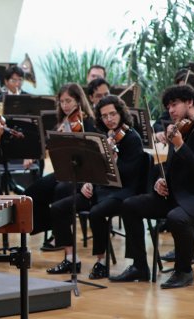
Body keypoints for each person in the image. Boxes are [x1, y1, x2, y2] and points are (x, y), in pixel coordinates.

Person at [111, 85, 194, 288]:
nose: (170, 110)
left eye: (174, 104)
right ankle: (139, 267)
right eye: (168, 106)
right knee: (129, 205)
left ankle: (184, 270)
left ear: (189, 102)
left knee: (176, 218)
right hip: (179, 194)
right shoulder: (178, 128)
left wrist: (180, 144)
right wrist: (161, 181)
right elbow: (172, 166)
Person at [45, 96, 143, 279]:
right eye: (105, 116)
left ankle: (102, 262)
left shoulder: (132, 138)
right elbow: (90, 168)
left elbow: (130, 173)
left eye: (113, 114)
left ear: (121, 113)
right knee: (58, 208)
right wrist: (87, 183)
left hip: (123, 192)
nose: (109, 119)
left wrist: (113, 161)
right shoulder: (104, 137)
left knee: (96, 213)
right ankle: (70, 258)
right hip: (100, 190)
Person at [25, 83, 97, 250]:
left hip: (83, 175)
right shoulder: (62, 121)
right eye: (62, 101)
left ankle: (59, 237)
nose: (65, 105)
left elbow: (91, 155)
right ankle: (53, 226)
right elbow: (52, 149)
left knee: (61, 190)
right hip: (63, 171)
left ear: (79, 101)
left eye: (68, 101)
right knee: (31, 194)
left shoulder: (88, 122)